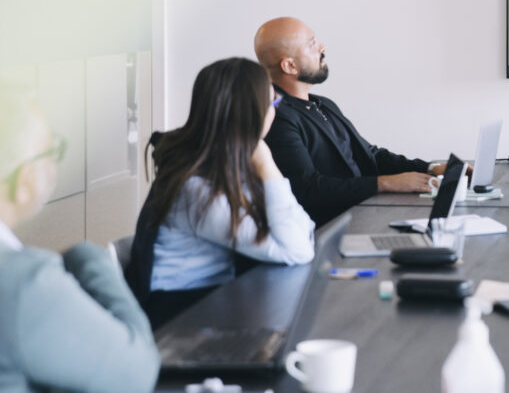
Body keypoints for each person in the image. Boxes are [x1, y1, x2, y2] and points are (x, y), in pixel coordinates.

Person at [127, 57, 315, 329]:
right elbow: (296, 249)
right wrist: (267, 164)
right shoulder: (196, 188)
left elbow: (304, 229)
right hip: (179, 320)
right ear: (253, 114)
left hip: (210, 303)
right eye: (273, 103)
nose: (275, 111)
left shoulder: (224, 167)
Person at [0, 85, 160, 392]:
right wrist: (87, 255)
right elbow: (137, 371)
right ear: (22, 182)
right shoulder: (24, 284)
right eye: (51, 150)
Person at [254, 17, 447, 226]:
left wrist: (430, 169)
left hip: (362, 216)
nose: (321, 47)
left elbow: (370, 155)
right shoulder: (277, 117)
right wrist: (386, 184)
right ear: (290, 65)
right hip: (330, 233)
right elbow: (307, 189)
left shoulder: (323, 104)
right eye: (311, 44)